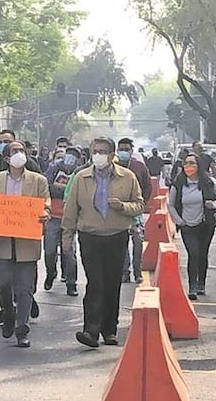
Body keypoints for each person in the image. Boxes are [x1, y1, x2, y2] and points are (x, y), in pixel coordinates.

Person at [62, 137, 145, 348]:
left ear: (111, 154)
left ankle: (109, 330)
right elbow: (71, 209)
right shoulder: (81, 178)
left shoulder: (127, 177)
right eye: (95, 151)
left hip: (116, 236)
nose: (98, 155)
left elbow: (139, 205)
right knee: (95, 282)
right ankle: (91, 330)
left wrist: (123, 206)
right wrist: (67, 238)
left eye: (102, 151)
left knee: (112, 283)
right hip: (90, 236)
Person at [0, 141, 50, 347]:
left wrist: (44, 213)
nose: (19, 153)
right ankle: (8, 312)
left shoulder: (39, 180)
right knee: (3, 283)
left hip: (27, 241)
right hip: (2, 240)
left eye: (22, 150)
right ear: (6, 158)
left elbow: (46, 203)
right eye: (15, 151)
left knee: (25, 288)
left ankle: (22, 328)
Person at [168, 153, 216, 300]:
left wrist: (214, 204)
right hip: (187, 225)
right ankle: (192, 286)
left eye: (192, 163)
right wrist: (179, 221)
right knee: (193, 254)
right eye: (186, 163)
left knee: (202, 254)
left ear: (198, 166)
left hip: (205, 224)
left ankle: (201, 284)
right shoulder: (178, 184)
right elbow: (171, 205)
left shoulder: (209, 181)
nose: (189, 166)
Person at [44, 147, 80, 296]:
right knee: (49, 251)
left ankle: (71, 283)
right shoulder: (53, 169)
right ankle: (51, 272)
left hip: (70, 218)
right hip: (52, 217)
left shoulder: (79, 172)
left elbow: (77, 193)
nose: (70, 158)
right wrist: (65, 190)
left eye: (74, 156)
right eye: (69, 154)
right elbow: (46, 187)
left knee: (69, 252)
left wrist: (59, 189)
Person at [117, 138, 153, 284]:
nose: (123, 152)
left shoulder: (139, 167)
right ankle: (124, 272)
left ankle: (138, 272)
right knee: (121, 242)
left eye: (126, 149)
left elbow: (148, 186)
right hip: (118, 211)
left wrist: (142, 204)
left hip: (136, 211)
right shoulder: (113, 166)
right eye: (121, 149)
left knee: (138, 241)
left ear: (131, 151)